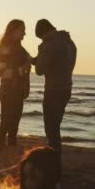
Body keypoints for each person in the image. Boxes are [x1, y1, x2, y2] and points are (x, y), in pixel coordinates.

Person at [33, 19, 77, 175]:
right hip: (66, 88)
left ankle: (54, 166)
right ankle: (55, 163)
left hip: (53, 89)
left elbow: (40, 69)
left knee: (51, 129)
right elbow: (59, 63)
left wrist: (39, 54)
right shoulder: (68, 41)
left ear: (43, 32)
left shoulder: (49, 43)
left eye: (40, 37)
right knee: (55, 127)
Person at [0, 20, 31, 151]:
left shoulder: (20, 48)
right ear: (14, 31)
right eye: (22, 30)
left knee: (14, 124)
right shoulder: (5, 47)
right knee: (6, 123)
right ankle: (0, 149)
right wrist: (22, 69)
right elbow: (0, 72)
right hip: (8, 90)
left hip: (18, 91)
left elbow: (30, 61)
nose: (24, 34)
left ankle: (10, 148)